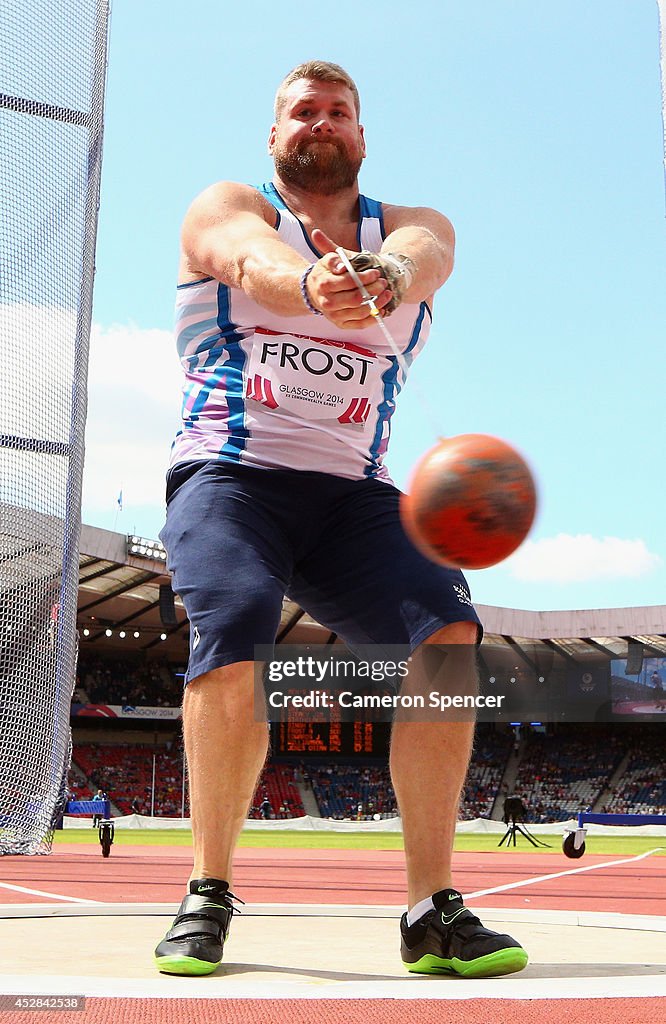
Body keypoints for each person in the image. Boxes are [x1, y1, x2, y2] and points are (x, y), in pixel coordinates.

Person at [154, 60, 528, 980]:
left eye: (340, 112)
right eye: (303, 112)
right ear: (275, 136)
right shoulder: (231, 204)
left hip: (353, 495)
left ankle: (430, 908)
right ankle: (207, 890)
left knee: (448, 634)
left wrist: (389, 273)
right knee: (236, 622)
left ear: (363, 137)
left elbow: (432, 253)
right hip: (231, 474)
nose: (322, 122)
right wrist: (311, 286)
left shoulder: (410, 229)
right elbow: (245, 254)